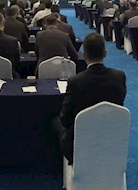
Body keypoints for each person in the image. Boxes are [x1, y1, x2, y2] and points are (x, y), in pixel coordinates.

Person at [53, 33, 126, 165]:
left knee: (55, 120)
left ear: (84, 55)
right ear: (105, 53)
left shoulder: (75, 81)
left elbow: (65, 119)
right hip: (110, 135)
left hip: (80, 142)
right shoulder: (119, 77)